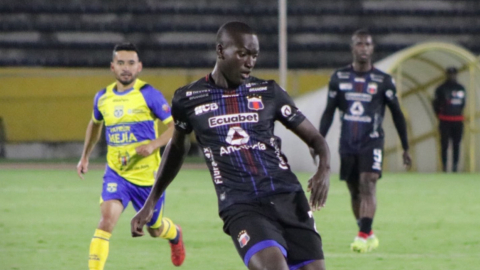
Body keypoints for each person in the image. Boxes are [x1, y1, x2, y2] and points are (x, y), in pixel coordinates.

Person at [131, 21, 331, 270]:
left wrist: (324, 168)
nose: (250, 62)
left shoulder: (268, 92)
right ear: (220, 51)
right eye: (243, 53)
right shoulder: (188, 99)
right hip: (241, 204)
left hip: (288, 197)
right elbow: (177, 149)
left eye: (254, 55)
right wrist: (151, 201)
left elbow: (316, 140)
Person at [76, 43, 185, 270]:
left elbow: (176, 126)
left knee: (155, 230)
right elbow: (94, 125)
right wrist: (84, 156)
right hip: (117, 174)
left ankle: (175, 234)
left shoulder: (149, 95)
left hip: (148, 179)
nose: (126, 68)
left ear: (139, 67)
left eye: (131, 63)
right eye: (121, 63)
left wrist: (154, 145)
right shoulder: (103, 97)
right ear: (112, 67)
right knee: (106, 221)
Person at [316, 29, 412, 253]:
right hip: (348, 142)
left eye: (367, 44)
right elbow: (329, 112)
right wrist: (318, 143)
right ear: (352, 48)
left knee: (368, 182)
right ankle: (368, 231)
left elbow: (397, 114)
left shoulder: (383, 80)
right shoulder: (339, 78)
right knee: (354, 190)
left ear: (372, 49)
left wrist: (405, 146)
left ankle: (361, 236)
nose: (363, 48)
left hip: (373, 141)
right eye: (359, 44)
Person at [432, 67, 466, 172]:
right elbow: (435, 104)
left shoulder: (461, 88)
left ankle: (455, 167)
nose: (452, 76)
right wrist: (439, 114)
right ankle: (444, 167)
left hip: (457, 120)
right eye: (450, 74)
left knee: (456, 144)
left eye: (454, 74)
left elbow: (463, 104)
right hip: (445, 120)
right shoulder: (441, 88)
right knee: (444, 145)